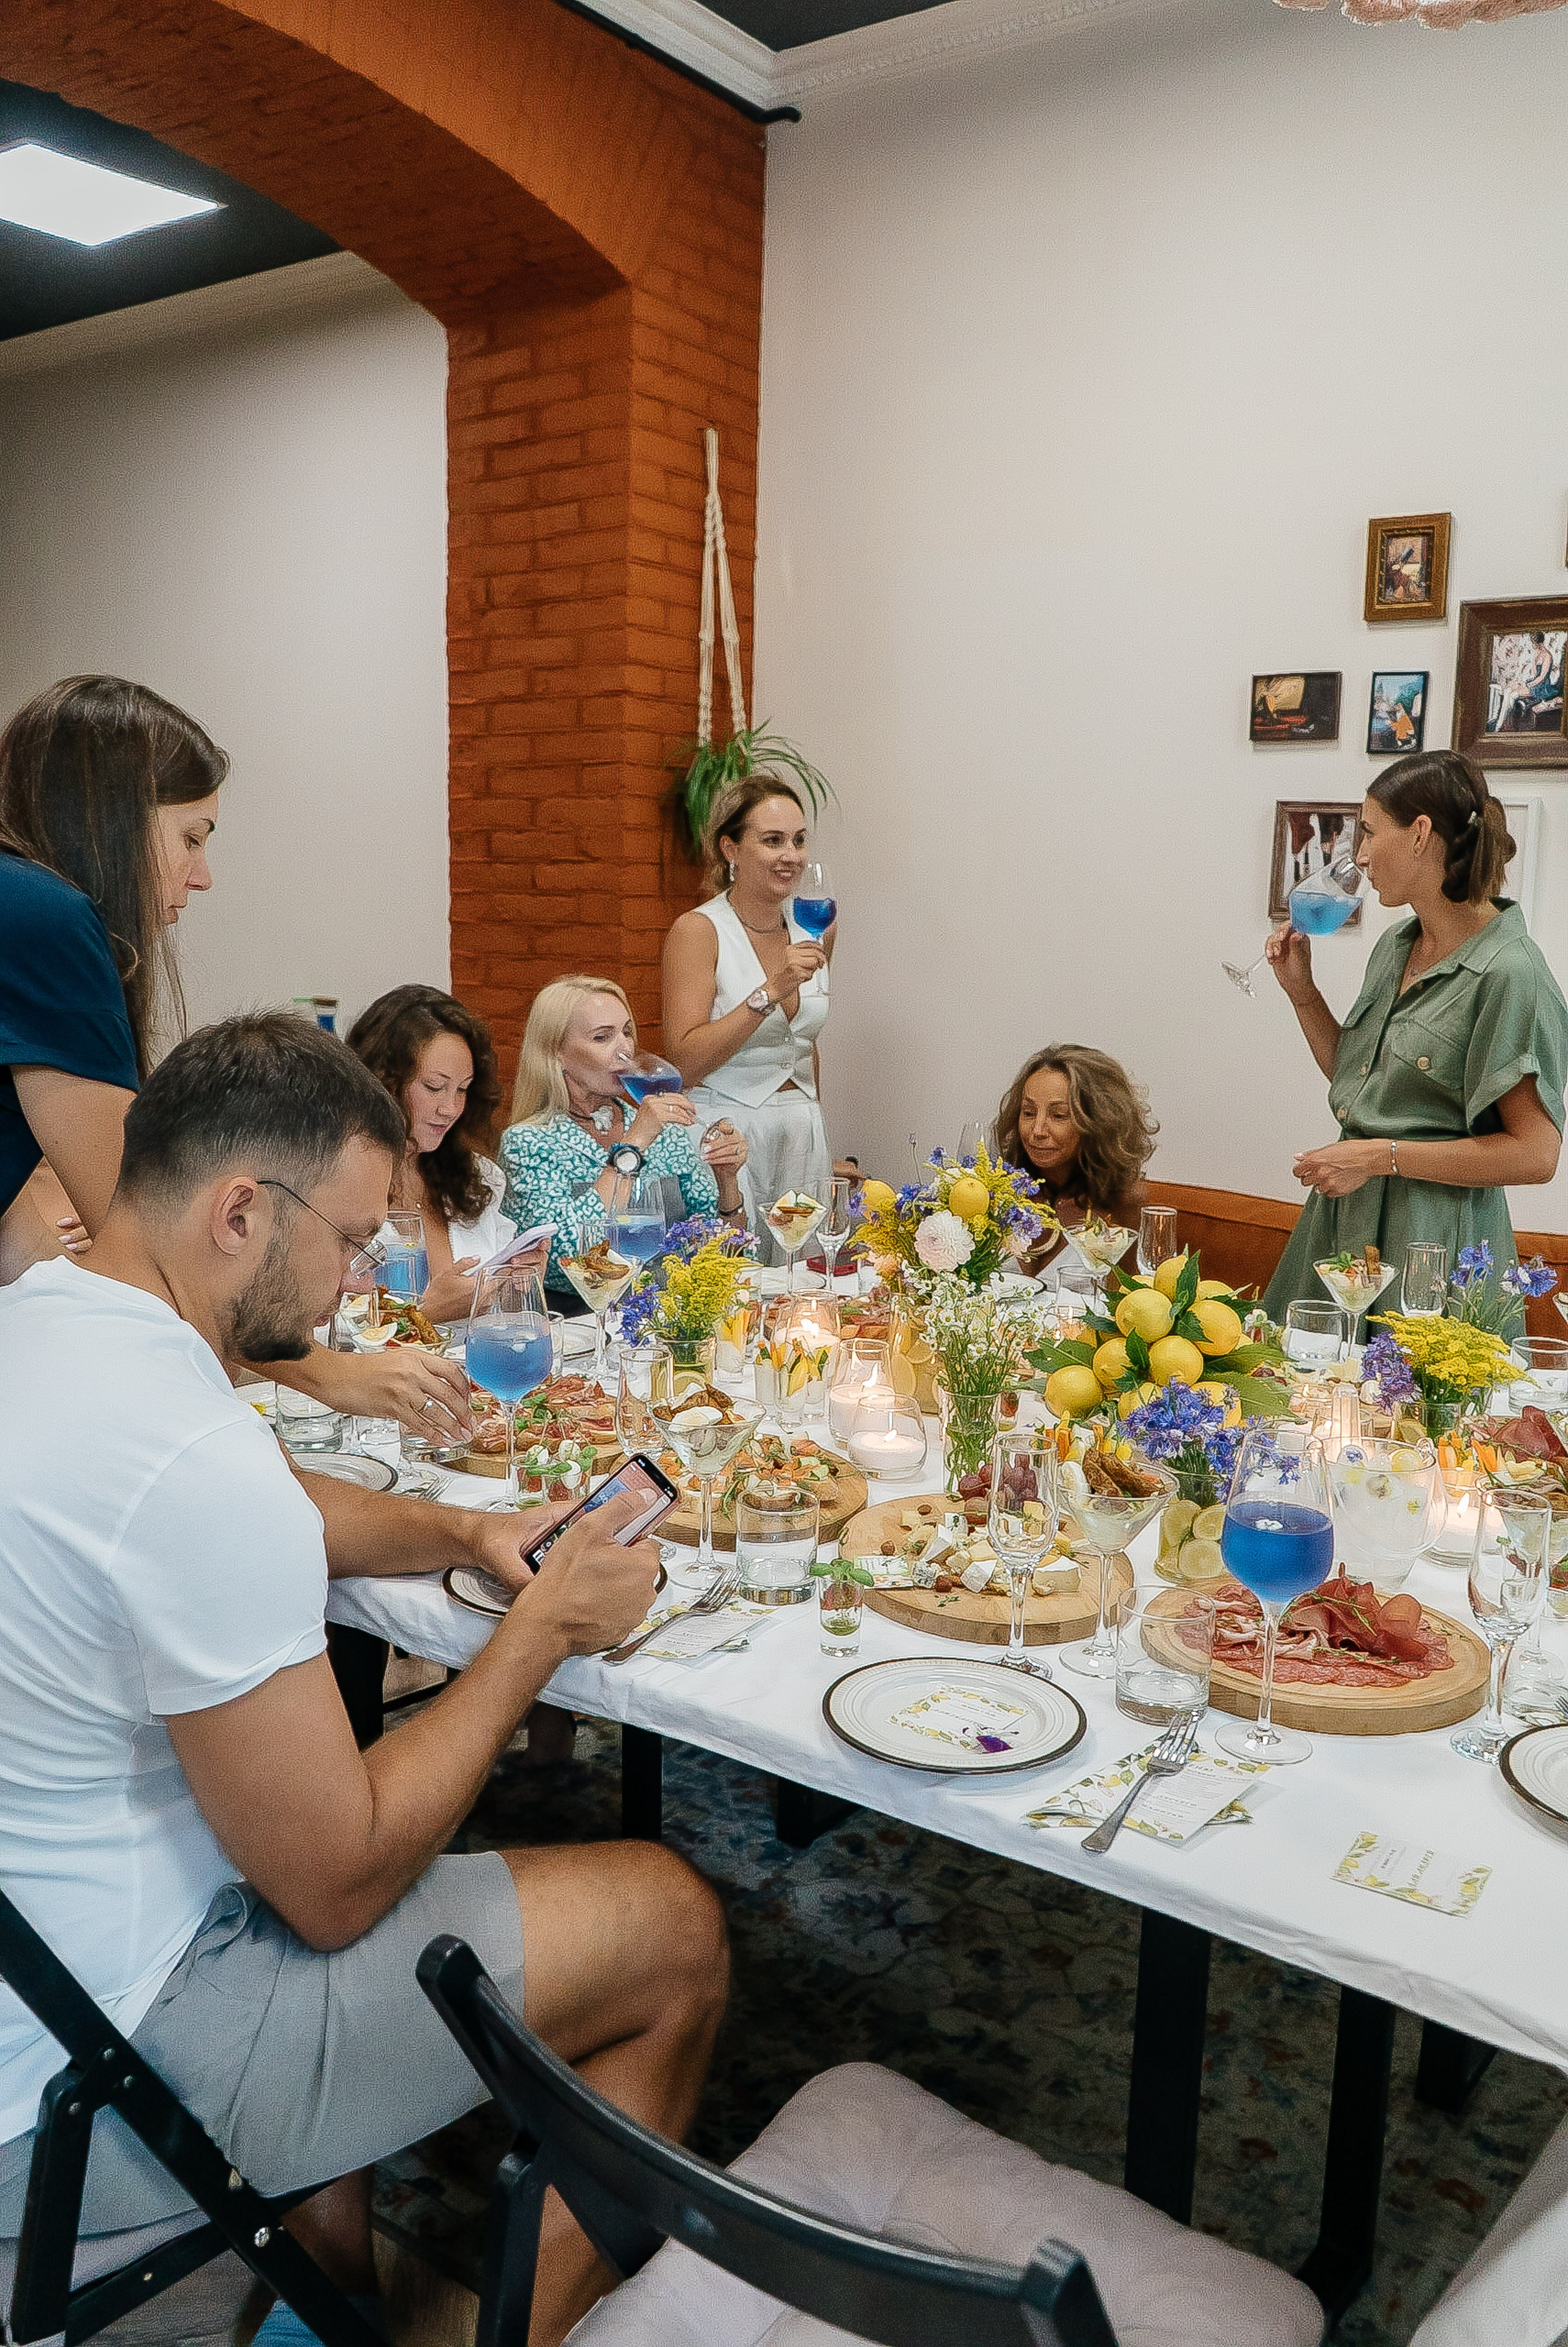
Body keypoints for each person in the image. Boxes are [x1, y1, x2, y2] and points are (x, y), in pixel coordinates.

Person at [0, 1014, 727, 2347]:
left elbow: (265, 1499)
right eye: (347, 1238)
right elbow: (335, 1885)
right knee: (675, 1922)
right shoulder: (190, 1459)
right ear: (238, 1212)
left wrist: (462, 1531)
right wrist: (536, 1633)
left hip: (37, 1957)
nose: (355, 1282)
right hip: (81, 2071)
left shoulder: (43, 1322)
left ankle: (333, 2271)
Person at [1263, 750, 1566, 1320]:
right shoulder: (1395, 947)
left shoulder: (1511, 973)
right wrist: (1303, 994)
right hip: (1343, 1227)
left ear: (1421, 833)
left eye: (1370, 831)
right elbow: (1362, 1082)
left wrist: (1380, 1157)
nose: (1361, 855)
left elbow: (1535, 1155)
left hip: (1435, 1247)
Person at [258, 984, 540, 1445]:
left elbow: (505, 1328)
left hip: (468, 1414)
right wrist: (426, 1315)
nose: (450, 1108)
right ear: (384, 1081)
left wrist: (518, 1285)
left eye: (462, 1090)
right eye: (434, 1087)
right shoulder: (331, 1185)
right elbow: (295, 1342)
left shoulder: (478, 1178)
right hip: (359, 1424)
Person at [0, 674, 224, 1245]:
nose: (202, 878)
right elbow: (135, 1230)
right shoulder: (45, 915)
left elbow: (15, 1238)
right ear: (114, 816)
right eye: (192, 838)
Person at [499, 975, 748, 1312]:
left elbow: (724, 1253)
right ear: (557, 1054)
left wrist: (727, 1179)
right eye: (602, 1037)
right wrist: (633, 1146)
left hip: (668, 1319)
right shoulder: (529, 1143)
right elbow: (564, 1258)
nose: (625, 1050)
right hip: (581, 1324)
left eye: (627, 1032)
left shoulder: (665, 1131)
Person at [662, 777, 832, 1260]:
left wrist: (817, 1123)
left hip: (801, 1131)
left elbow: (805, 1041)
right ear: (730, 848)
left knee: (799, 1276)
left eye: (798, 840)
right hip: (727, 1133)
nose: (791, 856)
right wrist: (772, 990)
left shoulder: (816, 923)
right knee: (733, 1275)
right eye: (773, 840)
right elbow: (685, 1061)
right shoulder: (698, 930)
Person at [993, 1045, 1156, 1278]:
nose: (1037, 1130)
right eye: (1028, 1112)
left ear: (1098, 1123)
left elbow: (1133, 1294)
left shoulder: (1124, 1201)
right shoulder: (1000, 1191)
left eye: (1058, 1115)